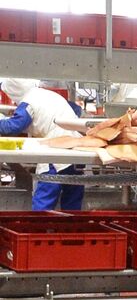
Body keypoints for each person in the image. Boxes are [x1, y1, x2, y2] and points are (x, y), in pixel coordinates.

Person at [0, 78, 91, 210]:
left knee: (44, 201)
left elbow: (13, 127)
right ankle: (71, 229)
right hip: (76, 150)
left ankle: (39, 228)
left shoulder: (29, 101)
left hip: (56, 154)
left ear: (14, 93)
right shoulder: (47, 94)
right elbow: (75, 109)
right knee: (72, 201)